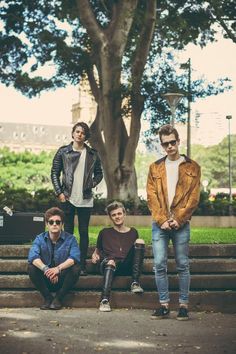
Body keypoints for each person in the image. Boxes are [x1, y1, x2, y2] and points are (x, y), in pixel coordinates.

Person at [146, 124, 201, 320]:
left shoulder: (192, 167)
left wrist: (179, 219)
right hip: (159, 224)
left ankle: (184, 306)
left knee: (182, 264)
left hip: (181, 223)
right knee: (159, 264)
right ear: (162, 145)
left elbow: (193, 198)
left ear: (178, 141)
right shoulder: (155, 167)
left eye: (172, 142)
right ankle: (164, 305)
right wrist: (162, 220)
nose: (169, 146)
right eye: (165, 144)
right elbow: (151, 197)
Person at [51, 121, 103, 275]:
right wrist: (59, 193)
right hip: (67, 197)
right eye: (78, 131)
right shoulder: (63, 152)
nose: (80, 134)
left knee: (84, 232)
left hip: (85, 198)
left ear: (86, 136)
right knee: (67, 231)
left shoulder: (93, 154)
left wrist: (92, 183)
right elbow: (54, 172)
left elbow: (99, 173)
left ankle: (80, 266)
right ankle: (66, 264)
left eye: (83, 133)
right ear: (73, 133)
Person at [91, 201, 145, 312]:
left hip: (126, 264)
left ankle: (135, 282)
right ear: (111, 218)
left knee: (139, 241)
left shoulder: (133, 232)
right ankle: (104, 300)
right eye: (114, 215)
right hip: (109, 265)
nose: (117, 217)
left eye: (119, 214)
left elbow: (135, 253)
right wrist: (94, 255)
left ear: (124, 214)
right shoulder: (104, 232)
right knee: (111, 261)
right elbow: (97, 250)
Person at [28, 207, 81, 310]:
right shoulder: (39, 238)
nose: (54, 224)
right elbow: (33, 257)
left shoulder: (71, 239)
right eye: (51, 222)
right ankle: (47, 298)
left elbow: (74, 257)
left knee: (76, 268)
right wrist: (46, 269)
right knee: (31, 267)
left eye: (58, 222)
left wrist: (58, 269)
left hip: (62, 278)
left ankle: (58, 298)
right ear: (46, 224)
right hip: (45, 278)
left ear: (62, 224)